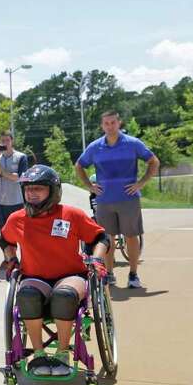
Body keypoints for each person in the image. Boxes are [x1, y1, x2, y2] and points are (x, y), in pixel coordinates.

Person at [0, 165, 109, 376]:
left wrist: (97, 258)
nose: (31, 193)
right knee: (27, 294)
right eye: (28, 189)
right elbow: (5, 240)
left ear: (53, 190)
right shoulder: (17, 219)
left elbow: (100, 238)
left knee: (64, 295)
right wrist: (11, 258)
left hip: (70, 275)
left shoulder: (71, 214)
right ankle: (39, 354)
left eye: (38, 189)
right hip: (35, 277)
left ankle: (62, 354)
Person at [74, 110, 159, 288]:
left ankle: (133, 275)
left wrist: (141, 183)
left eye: (113, 122)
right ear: (102, 125)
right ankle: (109, 274)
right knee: (107, 239)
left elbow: (153, 161)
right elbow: (79, 166)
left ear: (119, 123)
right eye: (106, 123)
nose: (110, 126)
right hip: (104, 201)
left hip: (129, 199)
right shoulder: (95, 147)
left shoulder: (133, 144)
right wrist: (90, 186)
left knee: (131, 237)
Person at [0, 132, 30, 270]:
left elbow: (20, 177)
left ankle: (27, 259)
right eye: (2, 141)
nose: (5, 143)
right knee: (4, 232)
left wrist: (4, 173)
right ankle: (9, 259)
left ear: (12, 141)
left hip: (17, 201)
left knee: (20, 231)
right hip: (0, 201)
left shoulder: (21, 157)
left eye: (7, 140)